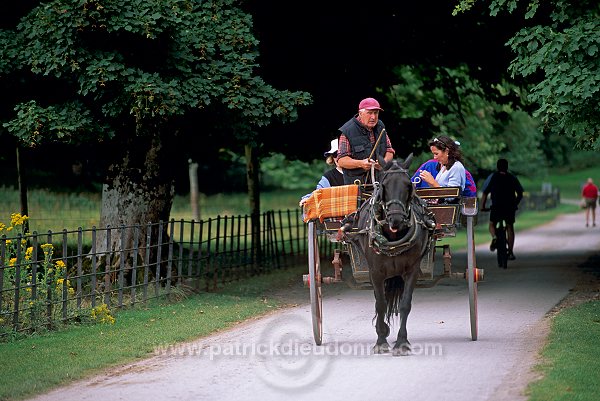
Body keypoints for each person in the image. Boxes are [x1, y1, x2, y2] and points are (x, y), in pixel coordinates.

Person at [336, 97, 395, 185]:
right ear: (360, 113)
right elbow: (341, 160)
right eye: (369, 113)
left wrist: (384, 162)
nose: (373, 117)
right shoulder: (348, 130)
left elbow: (389, 150)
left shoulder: (380, 126)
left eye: (376, 113)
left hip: (381, 182)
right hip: (357, 185)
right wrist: (360, 163)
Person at [480, 158, 524, 260]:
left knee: (492, 224)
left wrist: (482, 207)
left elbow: (485, 192)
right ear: (507, 167)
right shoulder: (512, 177)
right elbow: (520, 193)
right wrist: (515, 203)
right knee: (510, 227)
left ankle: (495, 238)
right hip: (509, 207)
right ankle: (511, 252)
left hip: (496, 206)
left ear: (497, 166)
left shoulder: (493, 177)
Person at [299, 138, 344, 206]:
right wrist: (307, 198)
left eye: (341, 154)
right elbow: (319, 192)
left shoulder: (360, 172)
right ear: (331, 157)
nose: (338, 157)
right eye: (335, 154)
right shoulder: (328, 177)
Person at [412, 158, 477, 197]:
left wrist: (433, 182)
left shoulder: (458, 168)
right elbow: (411, 185)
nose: (435, 157)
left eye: (436, 154)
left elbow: (451, 197)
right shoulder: (429, 165)